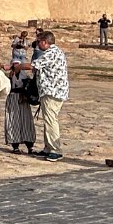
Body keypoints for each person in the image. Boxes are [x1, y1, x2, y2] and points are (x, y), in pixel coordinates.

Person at [17, 30, 69, 162]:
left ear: (45, 42)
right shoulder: (54, 52)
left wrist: (17, 67)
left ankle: (55, 150)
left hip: (52, 92)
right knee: (48, 120)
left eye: (39, 41)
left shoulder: (51, 53)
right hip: (51, 91)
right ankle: (48, 148)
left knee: (51, 120)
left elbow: (33, 65)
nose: (37, 44)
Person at [5, 44, 37, 155]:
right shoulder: (9, 77)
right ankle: (15, 145)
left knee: (26, 121)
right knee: (13, 121)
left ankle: (30, 145)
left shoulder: (25, 77)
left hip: (23, 99)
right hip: (12, 98)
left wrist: (25, 95)